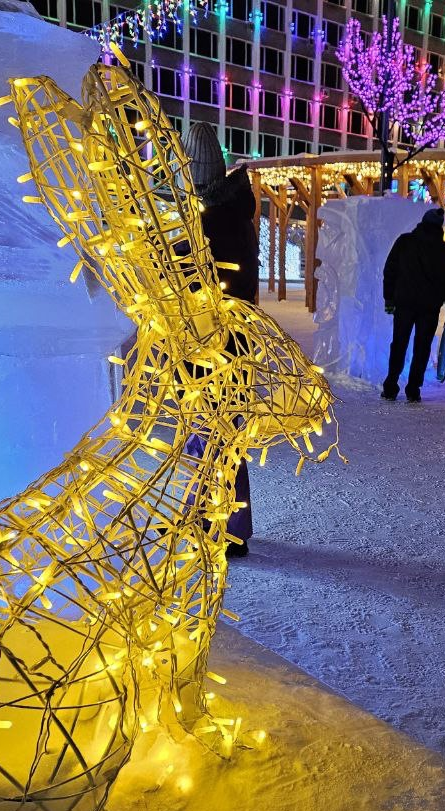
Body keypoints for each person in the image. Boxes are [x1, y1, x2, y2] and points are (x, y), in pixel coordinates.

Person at [183, 122, 259, 556]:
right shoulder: (232, 215)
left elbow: (200, 279)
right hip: (227, 344)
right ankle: (211, 519)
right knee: (213, 439)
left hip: (218, 346)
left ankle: (227, 529)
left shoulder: (217, 223)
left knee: (216, 440)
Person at [382, 207, 445, 403]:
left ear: (422, 223)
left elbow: (390, 270)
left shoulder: (404, 242)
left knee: (399, 344)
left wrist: (389, 298)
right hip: (429, 308)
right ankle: (414, 389)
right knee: (422, 348)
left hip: (404, 304)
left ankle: (391, 385)